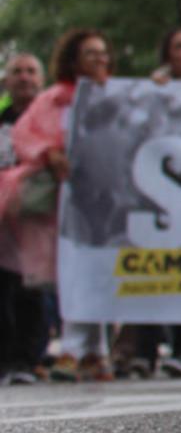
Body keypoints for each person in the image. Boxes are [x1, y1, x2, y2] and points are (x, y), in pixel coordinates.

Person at [0, 30, 112, 381]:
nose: (99, 60)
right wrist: (50, 154)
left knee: (97, 271)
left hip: (104, 200)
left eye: (103, 53)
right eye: (90, 53)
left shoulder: (116, 97)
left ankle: (95, 351)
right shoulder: (54, 99)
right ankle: (74, 348)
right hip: (62, 204)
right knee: (72, 271)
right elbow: (26, 134)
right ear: (73, 59)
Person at [0, 53, 45, 384]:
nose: (24, 77)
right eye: (17, 71)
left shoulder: (53, 118)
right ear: (7, 80)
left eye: (31, 71)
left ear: (41, 79)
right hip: (4, 219)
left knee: (33, 289)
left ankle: (27, 360)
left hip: (40, 216)